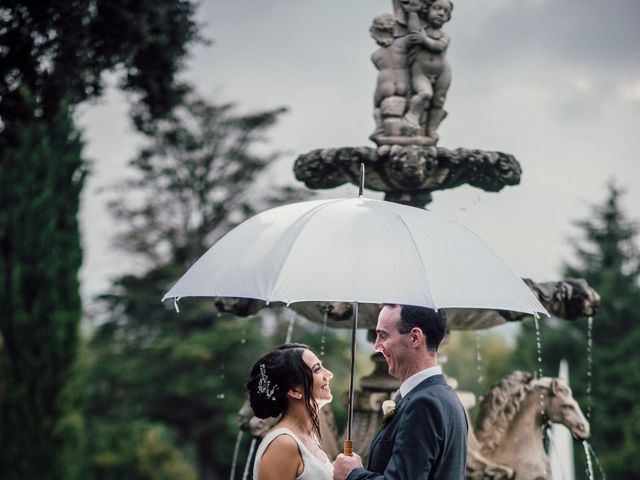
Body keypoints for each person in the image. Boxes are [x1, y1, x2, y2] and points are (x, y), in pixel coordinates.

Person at [333, 304, 467, 480]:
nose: (376, 346)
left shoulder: (423, 404)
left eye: (383, 335)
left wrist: (352, 474)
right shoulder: (448, 397)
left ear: (414, 338)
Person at [247, 343, 334, 480]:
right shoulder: (283, 444)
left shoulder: (310, 437)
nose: (329, 375)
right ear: (294, 390)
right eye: (317, 370)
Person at [404, 0, 453, 140]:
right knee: (425, 93)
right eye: (437, 8)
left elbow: (439, 46)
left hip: (442, 71)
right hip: (420, 70)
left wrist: (424, 40)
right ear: (427, 10)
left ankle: (431, 128)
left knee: (439, 99)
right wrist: (412, 11)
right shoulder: (421, 29)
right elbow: (414, 32)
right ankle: (412, 116)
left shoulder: (444, 36)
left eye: (446, 11)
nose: (441, 13)